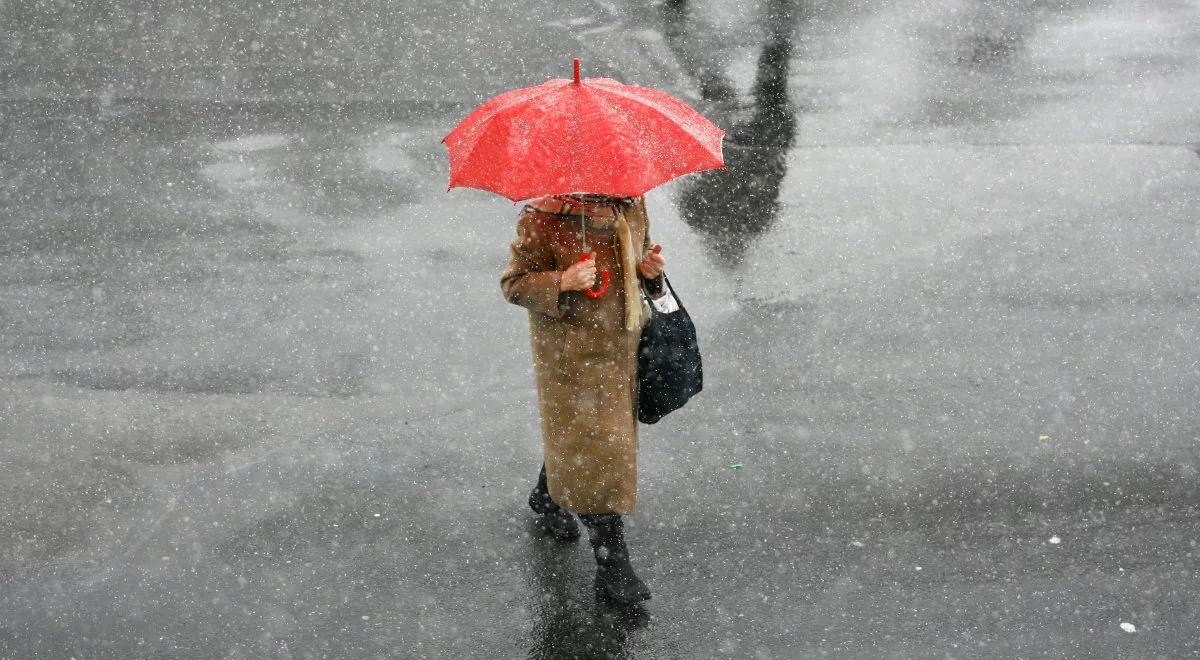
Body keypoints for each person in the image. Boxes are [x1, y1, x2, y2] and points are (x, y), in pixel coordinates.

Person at [500, 192, 668, 605]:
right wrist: (562, 281)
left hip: (624, 348)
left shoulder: (631, 205)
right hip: (572, 358)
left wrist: (650, 274)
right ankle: (612, 561)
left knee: (583, 439)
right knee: (601, 446)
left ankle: (547, 492)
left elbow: (641, 260)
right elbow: (513, 284)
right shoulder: (542, 218)